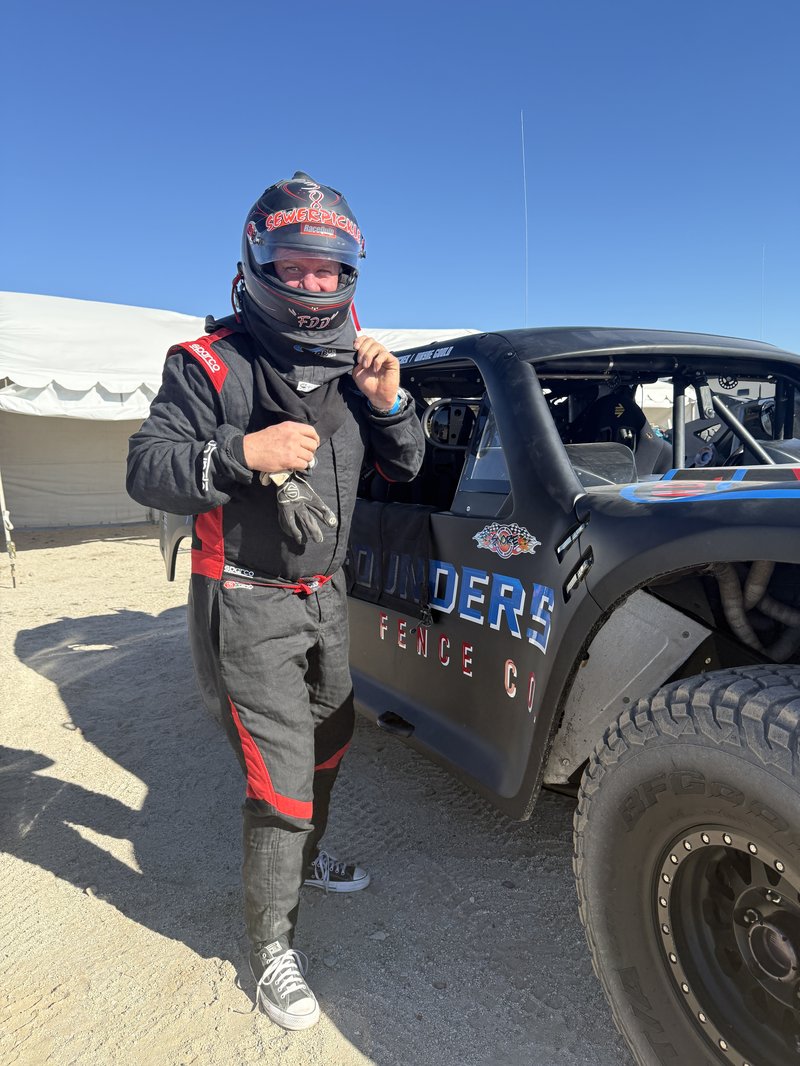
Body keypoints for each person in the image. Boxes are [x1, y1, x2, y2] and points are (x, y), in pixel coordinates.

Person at [126, 172, 424, 1031]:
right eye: (295, 267)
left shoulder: (358, 368)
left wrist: (392, 402)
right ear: (258, 268)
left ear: (348, 274)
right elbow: (147, 467)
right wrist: (240, 452)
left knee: (330, 747)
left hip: (325, 597)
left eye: (327, 270)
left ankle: (305, 863)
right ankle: (270, 946)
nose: (312, 283)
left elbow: (409, 464)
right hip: (245, 601)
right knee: (282, 778)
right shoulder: (208, 363)